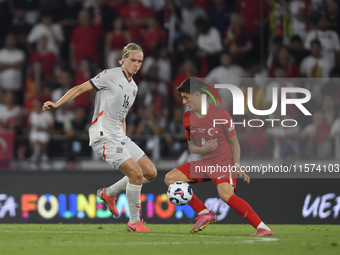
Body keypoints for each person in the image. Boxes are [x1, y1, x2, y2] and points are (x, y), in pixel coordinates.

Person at [42, 43, 157, 232]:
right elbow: (80, 88)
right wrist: (57, 103)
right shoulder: (110, 75)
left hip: (119, 136)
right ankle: (134, 222)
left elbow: (123, 115)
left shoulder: (134, 87)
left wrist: (124, 136)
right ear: (124, 58)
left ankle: (109, 193)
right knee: (136, 174)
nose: (137, 65)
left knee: (150, 172)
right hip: (103, 135)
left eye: (140, 62)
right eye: (133, 60)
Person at [164, 77, 273, 236]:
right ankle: (204, 212)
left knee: (226, 195)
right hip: (205, 163)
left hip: (223, 162)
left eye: (186, 97)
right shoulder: (188, 118)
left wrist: (236, 165)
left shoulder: (221, 114)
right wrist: (203, 148)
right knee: (169, 178)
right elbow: (191, 146)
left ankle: (263, 227)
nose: (184, 102)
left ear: (197, 96)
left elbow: (234, 142)